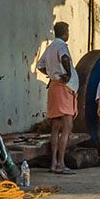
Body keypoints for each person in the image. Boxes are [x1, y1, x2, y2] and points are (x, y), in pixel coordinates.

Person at [36, 22, 77, 173]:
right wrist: (68, 75)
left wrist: (51, 74)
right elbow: (65, 59)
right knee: (67, 126)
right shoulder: (61, 46)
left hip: (53, 86)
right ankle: (61, 163)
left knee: (55, 127)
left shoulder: (50, 47)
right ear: (65, 32)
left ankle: (53, 163)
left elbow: (40, 66)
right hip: (63, 88)